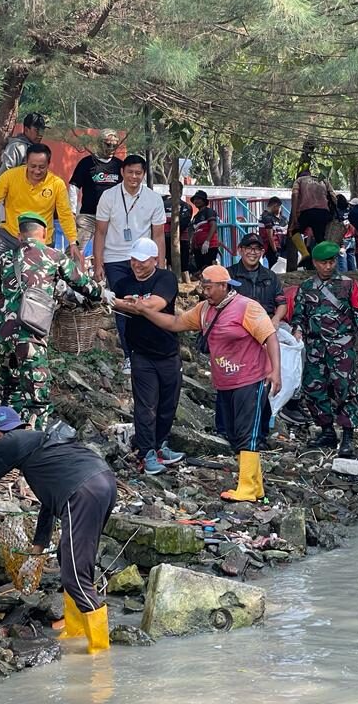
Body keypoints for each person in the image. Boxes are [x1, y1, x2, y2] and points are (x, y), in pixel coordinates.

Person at [0, 408, 116, 653]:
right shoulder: (40, 446)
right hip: (104, 482)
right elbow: (48, 506)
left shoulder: (5, 444)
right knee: (69, 557)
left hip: (81, 492)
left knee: (74, 576)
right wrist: (35, 554)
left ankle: (100, 654)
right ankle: (76, 629)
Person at [130, 265, 281, 502]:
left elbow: (270, 335)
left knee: (246, 432)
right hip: (225, 382)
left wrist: (275, 371)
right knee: (231, 432)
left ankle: (248, 488)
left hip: (249, 379)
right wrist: (143, 311)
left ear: (224, 286)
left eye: (208, 287)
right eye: (203, 287)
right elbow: (175, 323)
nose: (204, 292)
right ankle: (255, 485)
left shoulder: (246, 307)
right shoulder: (205, 310)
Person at [0, 213, 104, 428]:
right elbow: (84, 284)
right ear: (44, 233)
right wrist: (102, 294)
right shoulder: (54, 256)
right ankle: (36, 445)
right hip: (31, 335)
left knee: (10, 392)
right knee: (38, 398)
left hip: (4, 336)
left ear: (19, 235)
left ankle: (8, 438)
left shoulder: (5, 258)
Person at [0, 143, 81, 303]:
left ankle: (40, 305)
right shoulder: (10, 176)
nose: (37, 171)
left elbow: (65, 215)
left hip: (40, 241)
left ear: (49, 164)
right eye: (33, 166)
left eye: (42, 167)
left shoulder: (56, 184)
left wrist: (72, 241)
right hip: (10, 234)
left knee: (39, 277)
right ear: (26, 162)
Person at [111, 238, 186, 475]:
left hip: (168, 352)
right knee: (145, 407)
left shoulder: (165, 279)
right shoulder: (124, 282)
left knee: (167, 404)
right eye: (133, 260)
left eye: (142, 261)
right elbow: (114, 302)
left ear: (154, 260)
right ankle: (146, 453)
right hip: (141, 354)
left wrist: (134, 304)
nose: (136, 265)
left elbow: (156, 304)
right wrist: (131, 304)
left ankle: (161, 445)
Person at [292, 241, 358, 457]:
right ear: (315, 263)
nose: (328, 266)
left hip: (342, 345)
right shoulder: (307, 287)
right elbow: (299, 314)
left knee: (346, 389)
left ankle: (347, 436)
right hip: (315, 346)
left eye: (331, 262)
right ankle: (327, 431)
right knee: (313, 389)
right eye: (323, 263)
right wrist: (297, 330)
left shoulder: (348, 284)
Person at [94, 154, 166, 374]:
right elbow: (100, 231)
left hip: (144, 260)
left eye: (138, 173)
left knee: (145, 305)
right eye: (130, 172)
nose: (134, 177)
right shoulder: (109, 196)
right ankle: (129, 356)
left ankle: (147, 352)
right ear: (122, 172)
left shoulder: (154, 199)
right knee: (123, 308)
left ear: (143, 175)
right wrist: (99, 263)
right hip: (115, 259)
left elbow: (159, 235)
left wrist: (160, 267)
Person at [224, 232, 287, 441]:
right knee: (232, 380)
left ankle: (258, 432)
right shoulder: (229, 274)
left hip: (263, 335)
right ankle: (228, 429)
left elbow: (282, 304)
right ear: (240, 250)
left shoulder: (270, 277)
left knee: (261, 383)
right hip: (235, 336)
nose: (252, 252)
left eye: (257, 249)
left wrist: (276, 320)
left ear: (262, 252)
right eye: (248, 248)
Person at [69, 129, 123, 247]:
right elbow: (74, 186)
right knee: (76, 248)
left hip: (112, 217)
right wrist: (72, 211)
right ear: (99, 143)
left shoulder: (119, 165)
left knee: (112, 249)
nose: (111, 148)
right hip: (89, 216)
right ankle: (70, 266)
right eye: (108, 144)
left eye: (115, 145)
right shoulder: (87, 163)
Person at [288, 173, 334, 252]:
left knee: (294, 231)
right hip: (323, 213)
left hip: (307, 212)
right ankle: (325, 259)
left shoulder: (300, 180)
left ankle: (304, 253)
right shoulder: (324, 180)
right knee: (319, 237)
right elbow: (333, 196)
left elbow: (295, 195)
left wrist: (294, 217)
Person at [0, 112, 47, 178]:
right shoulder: (17, 147)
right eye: (37, 130)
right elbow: (2, 175)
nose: (40, 135)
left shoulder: (35, 149)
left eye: (42, 131)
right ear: (26, 130)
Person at [190, 190, 220, 272]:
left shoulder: (209, 211)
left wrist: (207, 242)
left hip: (209, 246)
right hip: (198, 247)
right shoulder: (195, 217)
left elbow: (213, 226)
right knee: (200, 270)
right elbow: (194, 233)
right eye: (195, 199)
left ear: (204, 201)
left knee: (209, 270)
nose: (197, 201)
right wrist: (192, 248)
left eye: (199, 199)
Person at [258, 196, 287, 269]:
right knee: (275, 268)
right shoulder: (266, 217)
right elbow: (270, 236)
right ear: (275, 206)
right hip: (271, 247)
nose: (280, 209)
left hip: (278, 246)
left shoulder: (279, 218)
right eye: (279, 207)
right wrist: (275, 251)